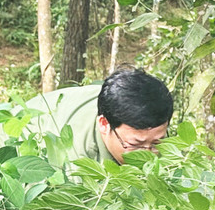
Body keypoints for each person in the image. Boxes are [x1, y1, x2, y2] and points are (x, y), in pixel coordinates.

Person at [18, 67, 174, 167]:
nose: (147, 155)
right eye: (135, 145)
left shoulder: (151, 124)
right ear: (104, 125)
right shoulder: (74, 159)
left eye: (156, 143)